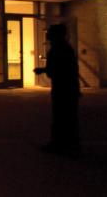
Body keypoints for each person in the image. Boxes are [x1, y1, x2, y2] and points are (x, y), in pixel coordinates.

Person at [33, 24, 80, 155]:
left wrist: (44, 70)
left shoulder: (58, 49)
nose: (47, 34)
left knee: (61, 116)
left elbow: (59, 69)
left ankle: (60, 144)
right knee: (68, 117)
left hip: (63, 88)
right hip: (68, 87)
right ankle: (70, 144)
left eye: (50, 32)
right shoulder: (65, 48)